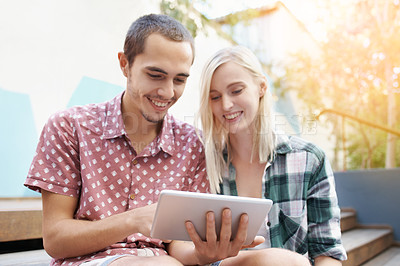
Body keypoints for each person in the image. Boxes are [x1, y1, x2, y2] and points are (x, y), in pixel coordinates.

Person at [24, 15, 260, 266]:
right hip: (91, 261)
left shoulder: (193, 143)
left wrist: (204, 253)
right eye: (156, 75)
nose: (168, 92)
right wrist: (133, 220)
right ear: (125, 65)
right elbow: (55, 239)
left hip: (168, 262)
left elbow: (179, 245)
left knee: (283, 261)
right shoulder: (70, 127)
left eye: (179, 79)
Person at [197, 45, 348, 265]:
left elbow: (328, 253)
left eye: (236, 91)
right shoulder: (205, 166)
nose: (226, 105)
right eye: (215, 97)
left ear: (261, 87)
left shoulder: (309, 160)